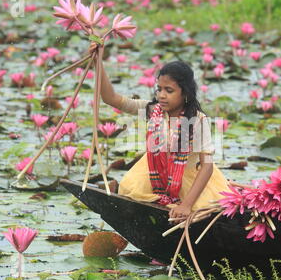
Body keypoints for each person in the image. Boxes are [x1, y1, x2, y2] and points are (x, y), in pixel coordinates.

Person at [97, 59, 232, 223]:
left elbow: (207, 166)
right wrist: (99, 61)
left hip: (188, 179)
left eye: (169, 90)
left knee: (202, 207)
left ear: (186, 93)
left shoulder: (198, 120)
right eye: (159, 89)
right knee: (131, 190)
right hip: (155, 175)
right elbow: (110, 98)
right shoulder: (152, 110)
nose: (161, 95)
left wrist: (186, 206)